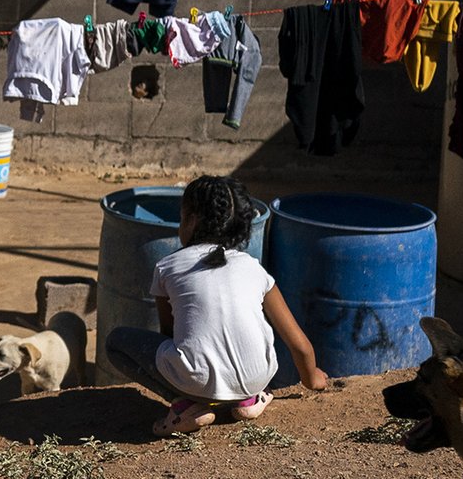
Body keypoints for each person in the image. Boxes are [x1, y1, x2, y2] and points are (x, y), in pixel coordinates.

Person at [102, 175, 331, 437]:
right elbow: (299, 345)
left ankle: (184, 406)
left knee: (116, 341)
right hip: (258, 377)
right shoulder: (254, 269)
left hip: (196, 380)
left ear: (191, 219)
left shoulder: (168, 267)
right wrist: (312, 379)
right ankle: (247, 401)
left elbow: (170, 333)